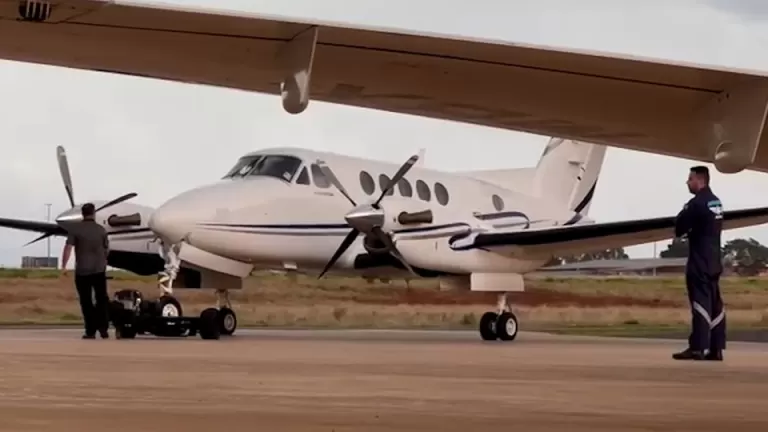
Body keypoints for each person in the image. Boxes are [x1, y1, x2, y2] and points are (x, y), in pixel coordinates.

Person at [672, 165, 725, 361]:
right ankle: (716, 348)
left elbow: (679, 226)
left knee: (700, 303)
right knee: (715, 303)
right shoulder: (716, 202)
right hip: (714, 260)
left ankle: (698, 347)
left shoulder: (696, 204)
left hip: (699, 261)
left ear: (700, 180)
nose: (687, 182)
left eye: (690, 179)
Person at [61, 202, 110, 339]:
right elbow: (107, 250)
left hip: (83, 271)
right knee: (102, 299)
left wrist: (64, 266)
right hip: (99, 270)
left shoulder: (75, 229)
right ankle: (103, 329)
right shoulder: (101, 230)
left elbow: (68, 248)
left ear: (82, 213)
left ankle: (90, 330)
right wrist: (103, 262)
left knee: (86, 301)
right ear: (94, 213)